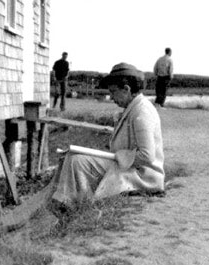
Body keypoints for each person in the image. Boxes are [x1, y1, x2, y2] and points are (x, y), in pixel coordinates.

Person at [50, 63, 165, 206]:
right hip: (129, 166)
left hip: (143, 176)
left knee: (77, 161)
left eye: (113, 92)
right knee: (69, 157)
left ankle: (71, 204)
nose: (111, 97)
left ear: (126, 89)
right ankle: (63, 200)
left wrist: (118, 155)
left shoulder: (142, 112)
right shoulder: (134, 107)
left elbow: (147, 156)